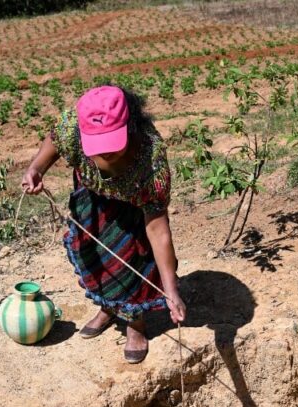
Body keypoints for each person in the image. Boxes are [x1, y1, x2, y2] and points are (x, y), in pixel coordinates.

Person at [21, 85, 186, 363]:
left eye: (113, 143)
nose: (105, 154)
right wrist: (36, 168)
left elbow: (157, 230)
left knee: (131, 258)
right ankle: (108, 308)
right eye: (98, 145)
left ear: (129, 126)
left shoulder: (150, 159)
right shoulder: (72, 126)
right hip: (92, 196)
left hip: (133, 206)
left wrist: (171, 291)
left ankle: (136, 324)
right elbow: (54, 140)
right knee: (95, 256)